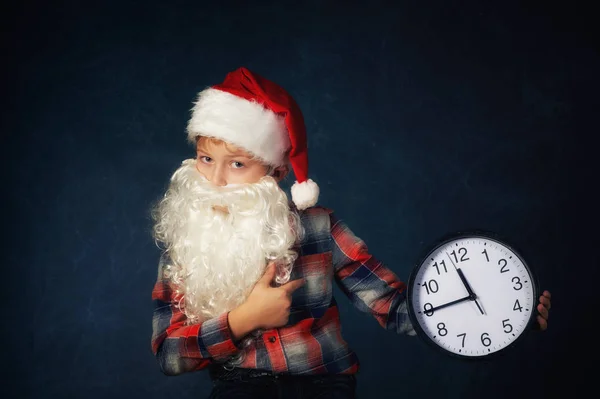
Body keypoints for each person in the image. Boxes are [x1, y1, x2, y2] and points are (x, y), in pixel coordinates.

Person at [149, 67, 552, 398]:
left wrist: (505, 319)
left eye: (237, 164)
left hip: (323, 386)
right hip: (240, 390)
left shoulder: (320, 227)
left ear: (277, 172)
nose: (215, 179)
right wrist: (242, 320)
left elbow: (394, 307)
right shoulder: (189, 243)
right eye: (205, 158)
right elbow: (170, 356)